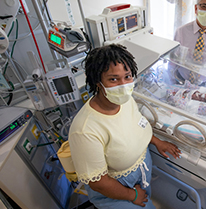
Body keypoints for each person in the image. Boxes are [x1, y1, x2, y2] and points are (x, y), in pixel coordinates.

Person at [69, 44, 181, 208]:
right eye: (113, 79)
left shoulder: (126, 101)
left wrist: (157, 142)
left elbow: (137, 124)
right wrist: (132, 194)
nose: (123, 85)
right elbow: (98, 183)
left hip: (140, 170)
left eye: (127, 76)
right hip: (113, 189)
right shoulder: (85, 129)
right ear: (98, 82)